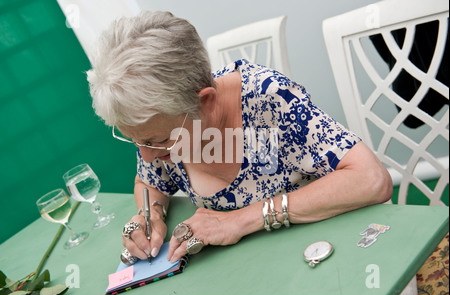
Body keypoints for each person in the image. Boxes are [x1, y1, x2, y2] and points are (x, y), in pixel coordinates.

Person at [86, 11, 392, 264]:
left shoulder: (268, 100)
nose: (148, 155)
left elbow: (371, 179)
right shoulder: (158, 126)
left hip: (332, 253)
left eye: (159, 140)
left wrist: (240, 220)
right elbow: (150, 180)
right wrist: (148, 214)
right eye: (137, 141)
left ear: (205, 102)